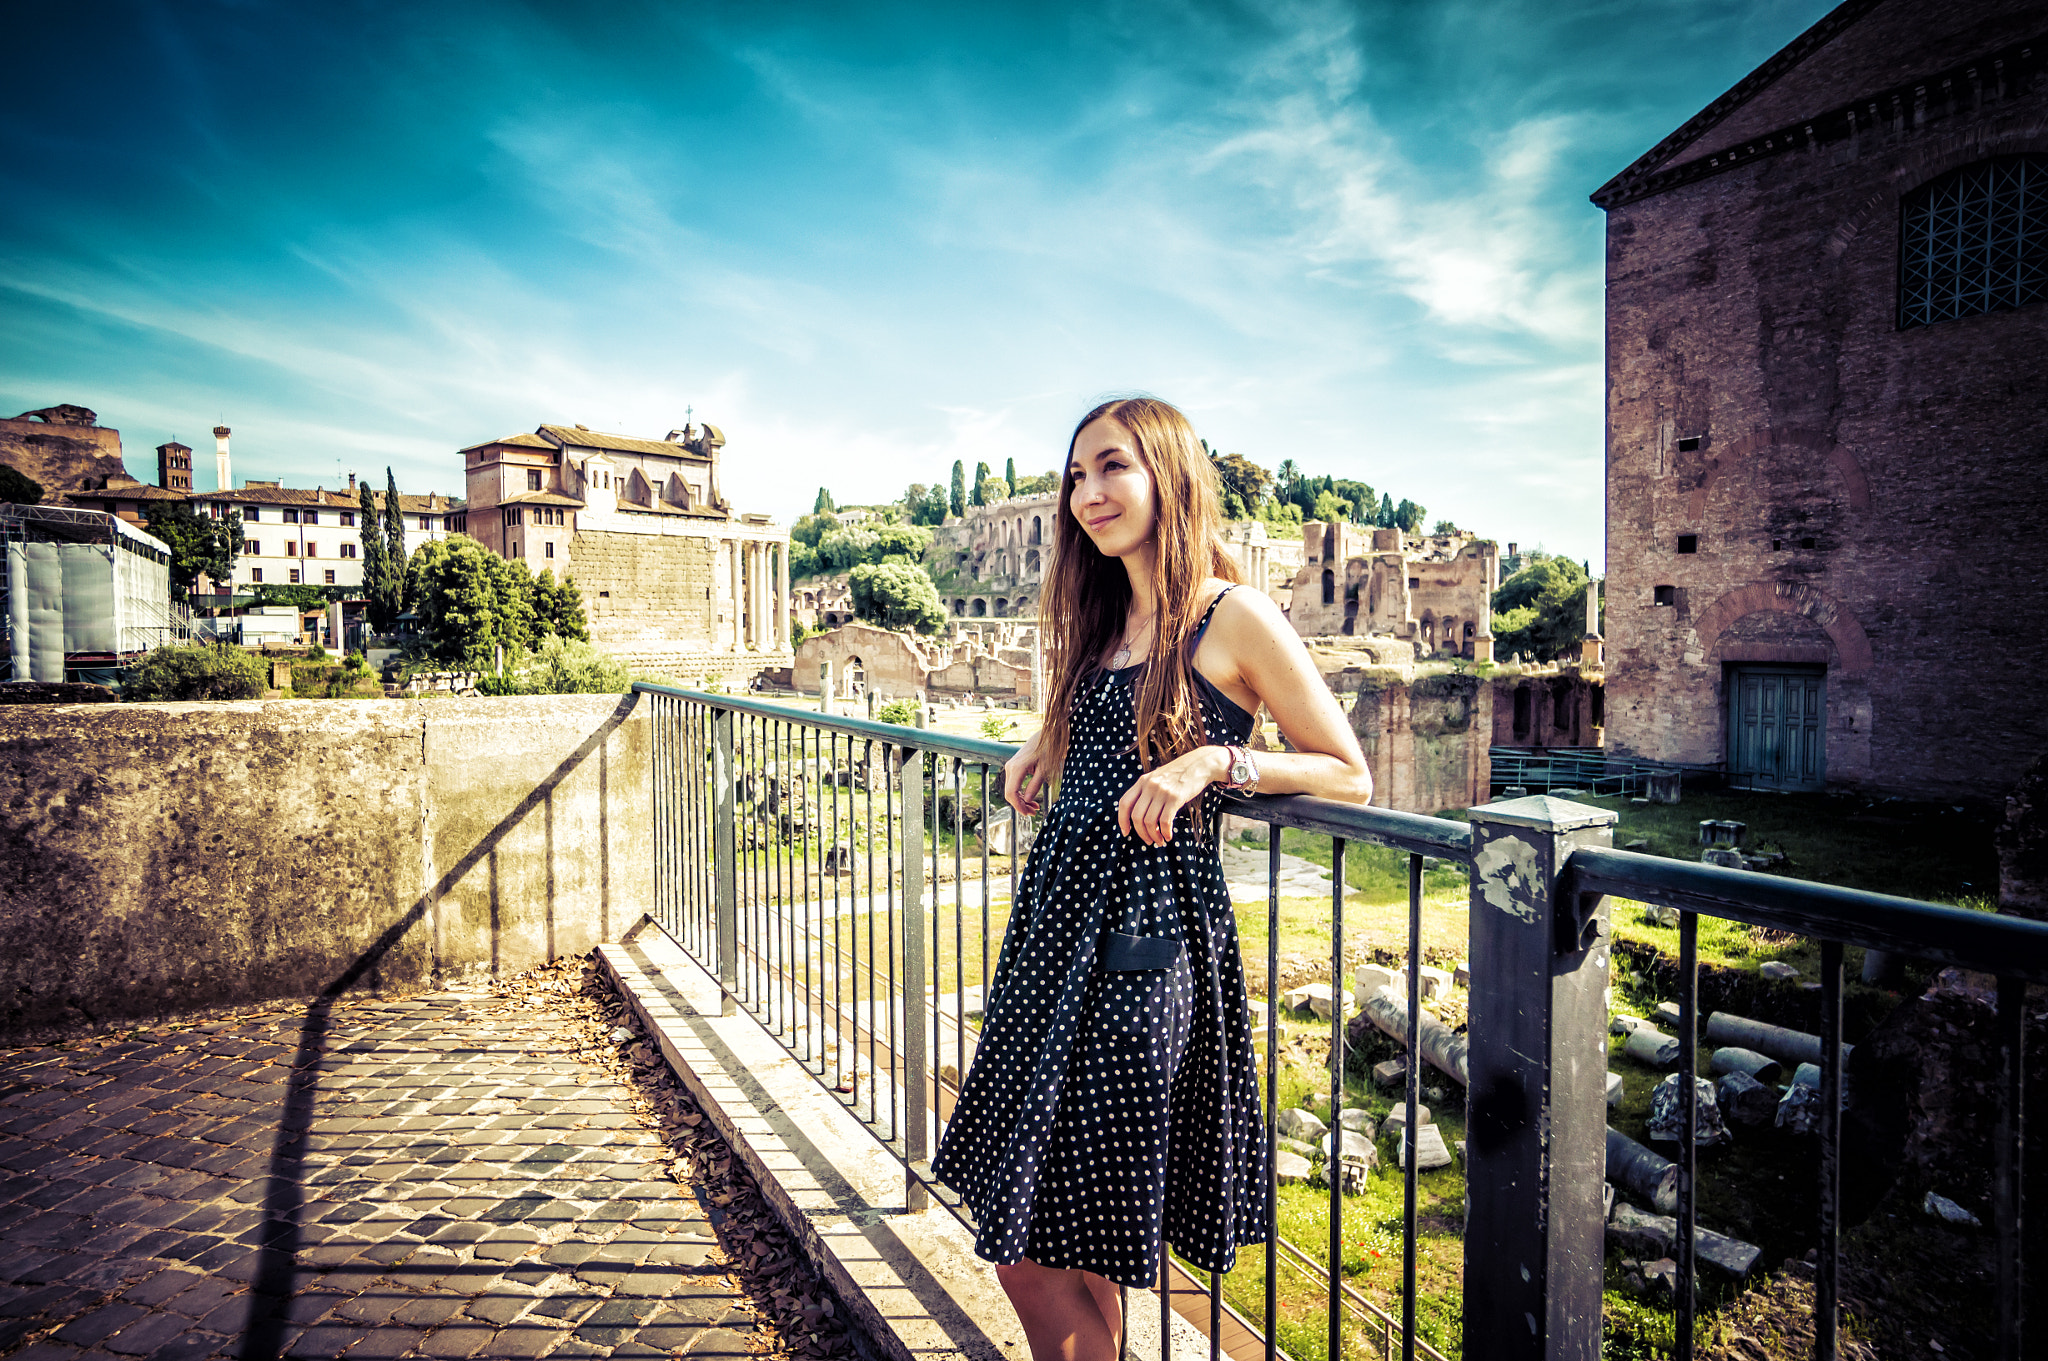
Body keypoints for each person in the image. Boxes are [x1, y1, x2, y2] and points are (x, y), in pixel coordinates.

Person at [930, 397, 1373, 1361]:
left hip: (1145, 947)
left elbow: (1348, 769)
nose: (1090, 493)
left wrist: (1215, 764)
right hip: (1052, 939)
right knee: (1074, 1232)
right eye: (1077, 476)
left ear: (1167, 475)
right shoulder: (1106, 619)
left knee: (1030, 1245)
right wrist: (1045, 738)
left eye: (1113, 467)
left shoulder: (1232, 613)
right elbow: (1104, 728)